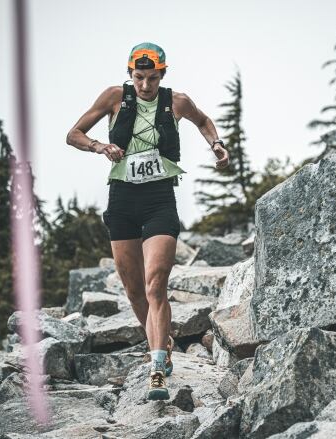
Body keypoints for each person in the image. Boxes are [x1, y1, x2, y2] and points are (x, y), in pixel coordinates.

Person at [65, 42, 229, 400]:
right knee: (134, 290)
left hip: (159, 200)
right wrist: (99, 147)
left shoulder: (177, 101)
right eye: (139, 78)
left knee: (156, 285)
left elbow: (203, 121)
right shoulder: (113, 97)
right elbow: (72, 135)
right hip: (122, 199)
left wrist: (216, 144)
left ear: (162, 75)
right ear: (130, 75)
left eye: (152, 78)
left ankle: (157, 365)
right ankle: (163, 341)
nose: (145, 86)